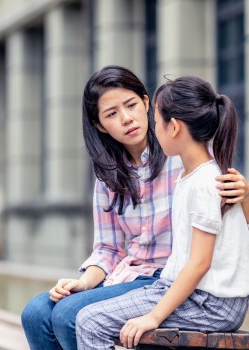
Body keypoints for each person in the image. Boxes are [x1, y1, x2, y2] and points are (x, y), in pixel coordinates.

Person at [21, 66, 249, 350]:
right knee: (36, 313)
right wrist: (84, 282)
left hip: (172, 280)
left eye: (131, 105)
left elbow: (227, 223)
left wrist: (245, 195)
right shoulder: (108, 176)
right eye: (111, 114)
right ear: (100, 125)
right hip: (129, 275)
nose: (126, 118)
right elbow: (108, 249)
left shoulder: (184, 160)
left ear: (145, 103)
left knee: (70, 315)